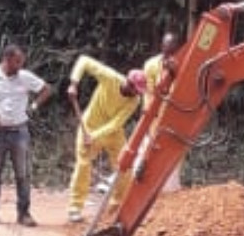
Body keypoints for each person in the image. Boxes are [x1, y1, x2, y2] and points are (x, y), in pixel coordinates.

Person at [0, 44, 51, 227]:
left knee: (22, 174)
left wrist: (33, 107)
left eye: (21, 61)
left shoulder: (25, 77)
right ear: (6, 59)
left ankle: (24, 214)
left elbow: (46, 89)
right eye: (17, 61)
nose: (20, 64)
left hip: (19, 131)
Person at [66, 55, 147, 223]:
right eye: (135, 89)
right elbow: (84, 61)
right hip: (89, 125)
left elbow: (116, 123)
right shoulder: (110, 77)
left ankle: (116, 207)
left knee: (125, 165)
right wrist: (74, 83)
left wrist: (94, 136)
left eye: (139, 91)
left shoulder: (135, 101)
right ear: (129, 83)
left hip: (112, 132)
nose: (136, 94)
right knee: (83, 165)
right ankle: (75, 207)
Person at [141, 31, 183, 192]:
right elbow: (149, 91)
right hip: (156, 115)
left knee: (174, 149)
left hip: (175, 114)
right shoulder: (150, 65)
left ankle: (171, 187)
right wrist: (149, 113)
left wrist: (175, 72)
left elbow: (181, 90)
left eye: (172, 48)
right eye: (166, 46)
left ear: (177, 48)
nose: (169, 50)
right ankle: (150, 185)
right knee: (153, 147)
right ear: (162, 46)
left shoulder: (183, 65)